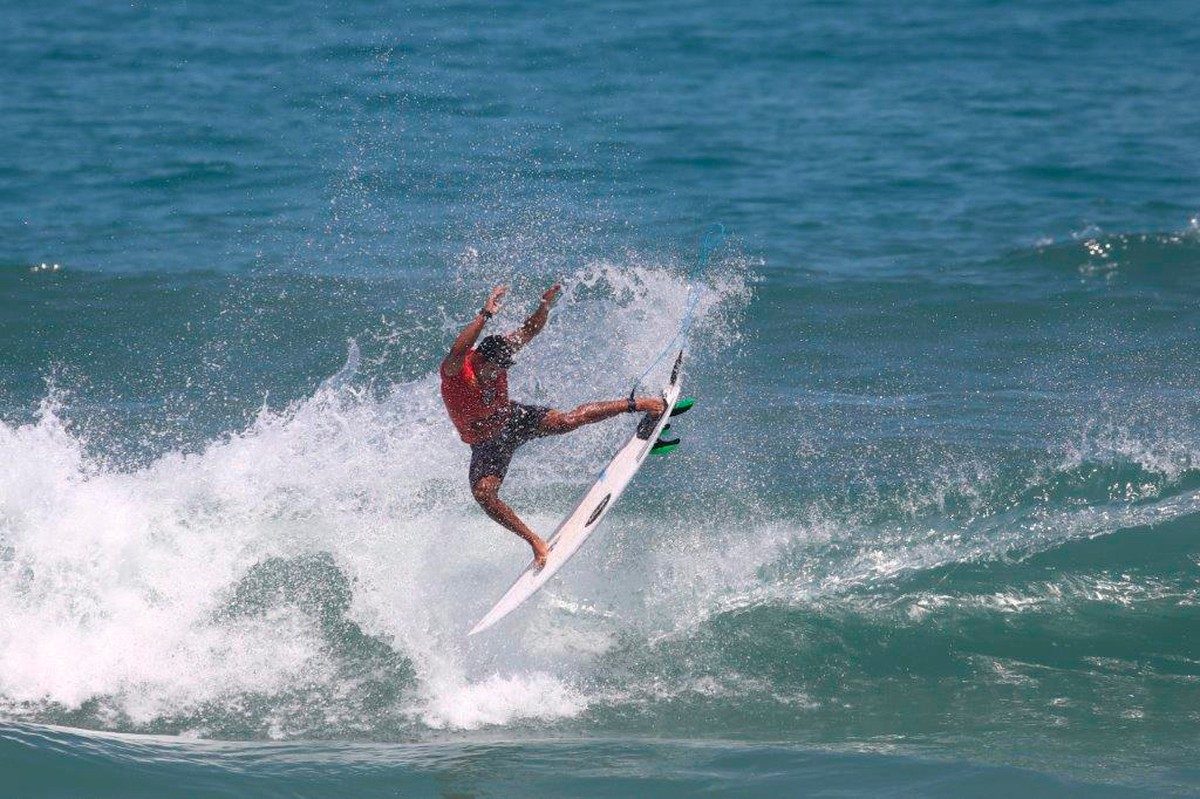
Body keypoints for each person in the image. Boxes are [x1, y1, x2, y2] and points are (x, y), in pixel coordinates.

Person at [440, 284, 667, 569]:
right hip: (486, 444)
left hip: (513, 420)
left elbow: (530, 331)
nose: (497, 375)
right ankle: (535, 541)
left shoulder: (499, 357)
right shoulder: (456, 372)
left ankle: (643, 405)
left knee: (568, 420)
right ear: (479, 360)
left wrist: (543, 308)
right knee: (484, 494)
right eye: (493, 370)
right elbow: (457, 349)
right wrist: (486, 313)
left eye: (502, 370)